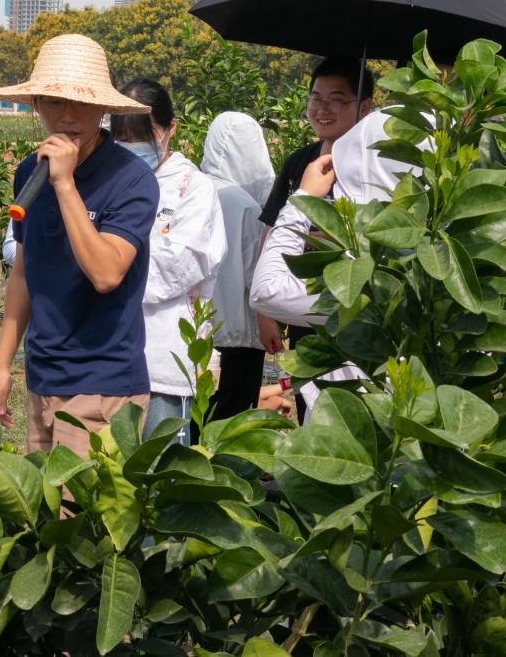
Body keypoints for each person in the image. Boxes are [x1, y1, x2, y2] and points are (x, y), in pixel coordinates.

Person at [0, 34, 159, 455]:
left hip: (102, 385)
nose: (68, 115)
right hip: (42, 377)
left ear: (103, 108)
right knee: (40, 498)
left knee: (87, 499)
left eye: (82, 102)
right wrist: (3, 365)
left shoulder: (131, 179)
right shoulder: (29, 172)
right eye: (54, 101)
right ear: (36, 104)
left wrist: (64, 184)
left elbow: (106, 273)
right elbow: (23, 272)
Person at [250, 111, 420, 419]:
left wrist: (303, 199)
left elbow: (266, 291)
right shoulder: (433, 265)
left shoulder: (353, 283)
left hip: (344, 425)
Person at [256, 56, 374, 419]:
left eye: (336, 100)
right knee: (311, 404)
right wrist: (265, 313)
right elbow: (272, 231)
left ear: (365, 107)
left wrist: (328, 236)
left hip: (355, 311)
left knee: (357, 407)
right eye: (315, 98)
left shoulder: (374, 163)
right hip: (302, 305)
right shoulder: (299, 162)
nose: (322, 109)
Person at [110, 78, 225, 442]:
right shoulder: (104, 178)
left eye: (142, 136)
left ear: (171, 128)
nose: (131, 146)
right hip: (102, 354)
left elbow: (175, 268)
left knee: (158, 462)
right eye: (121, 136)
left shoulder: (193, 188)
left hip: (162, 357)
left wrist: (106, 262)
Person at [200, 112, 275, 420]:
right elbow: (257, 276)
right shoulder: (245, 205)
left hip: (194, 336)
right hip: (239, 337)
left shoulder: (191, 190)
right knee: (232, 425)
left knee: (195, 422)